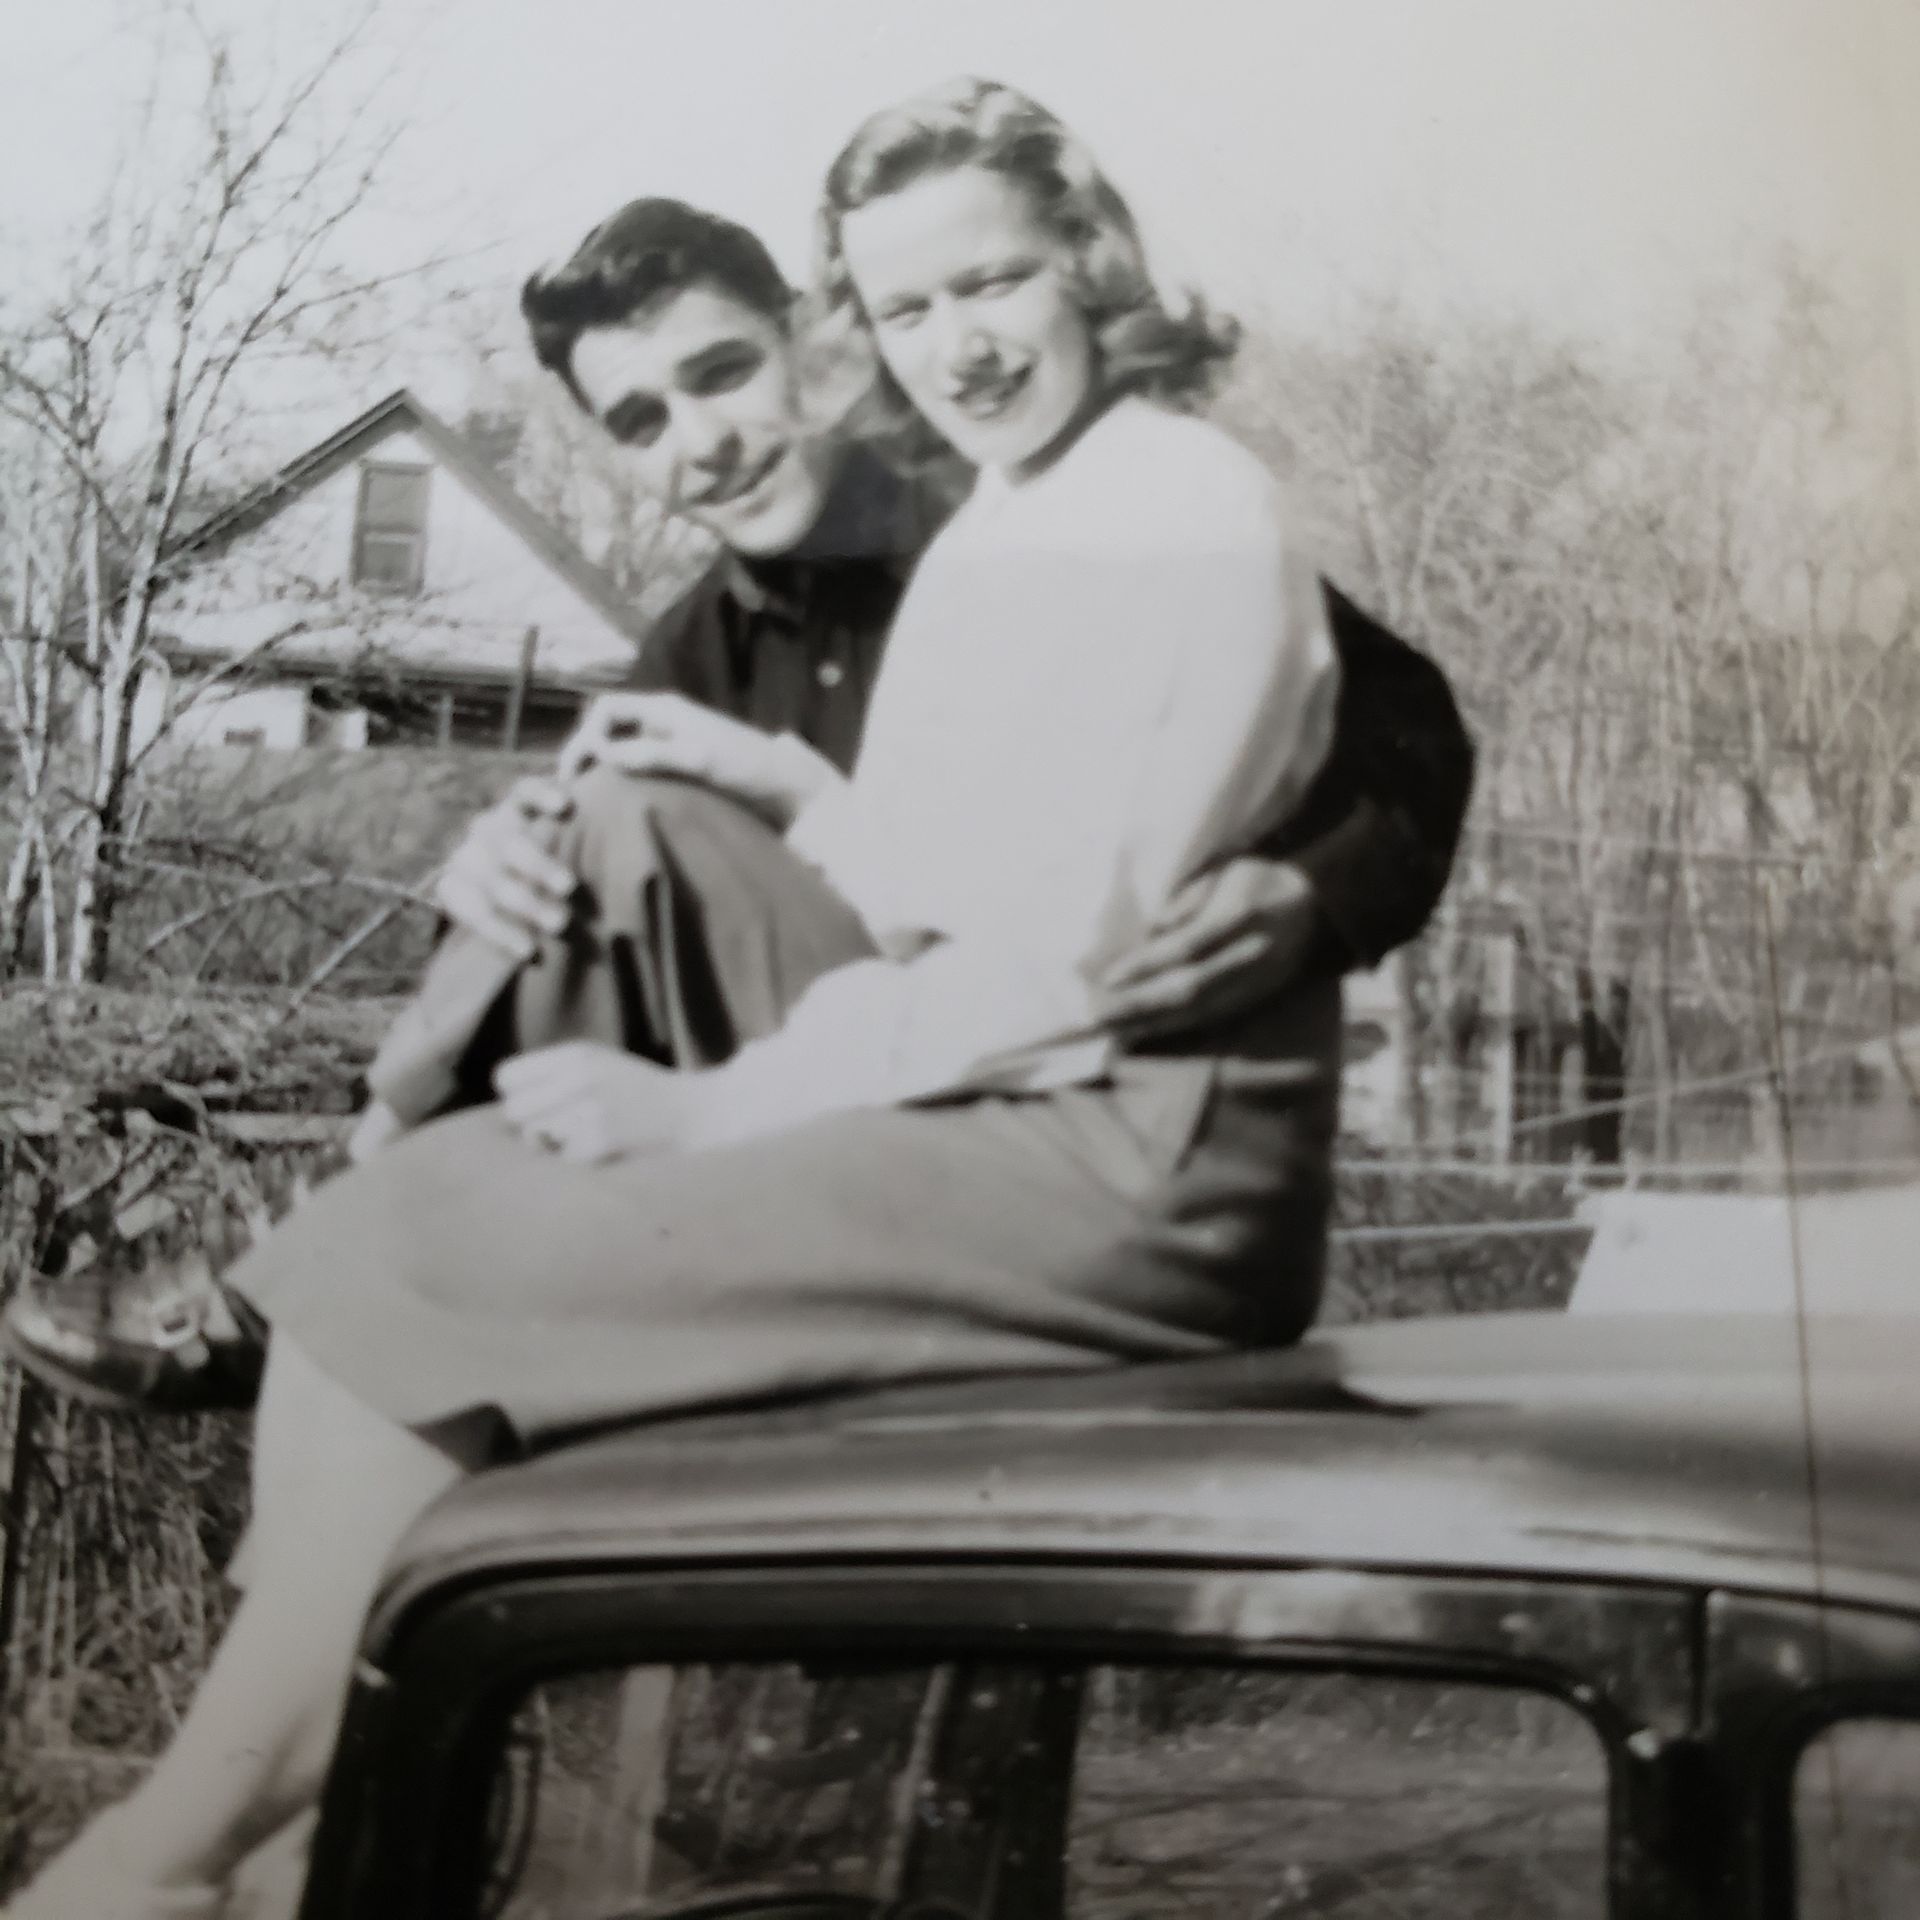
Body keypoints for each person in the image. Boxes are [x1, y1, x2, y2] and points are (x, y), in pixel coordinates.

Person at [6, 78, 1448, 1919]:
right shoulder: (909, 556)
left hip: (1106, 1121)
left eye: (992, 282)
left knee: (414, 1244)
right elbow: (929, 887)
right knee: (519, 984)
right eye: (912, 306)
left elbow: (1162, 884)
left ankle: (193, 1833)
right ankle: (288, 1742)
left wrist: (1303, 898)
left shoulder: (1126, 509)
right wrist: (598, 850)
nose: (957, 344)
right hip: (950, 1069)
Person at [5, 193, 1471, 1412]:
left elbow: (1404, 721)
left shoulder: (1015, 511)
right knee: (585, 820)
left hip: (1070, 1102)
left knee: (618, 820)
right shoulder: (691, 653)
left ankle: (324, 1269)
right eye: (642, 419)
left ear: (812, 351)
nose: (697, 443)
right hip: (807, 1097)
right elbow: (603, 929)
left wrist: (1311, 892)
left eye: (722, 374)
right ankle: (366, 1288)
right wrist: (495, 875)